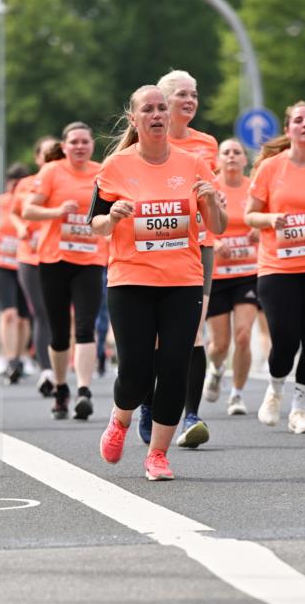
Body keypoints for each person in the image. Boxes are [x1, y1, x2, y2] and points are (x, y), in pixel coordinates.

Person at [89, 84, 224, 481]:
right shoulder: (116, 166)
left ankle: (158, 455)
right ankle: (120, 417)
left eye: (161, 108)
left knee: (174, 366)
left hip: (182, 280)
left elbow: (216, 227)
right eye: (148, 109)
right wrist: (112, 216)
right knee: (136, 371)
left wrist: (212, 201)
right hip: (130, 279)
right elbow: (94, 223)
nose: (157, 114)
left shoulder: (194, 164)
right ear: (134, 118)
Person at [137, 69, 223, 449]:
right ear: (163, 101)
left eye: (194, 94)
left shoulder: (207, 144)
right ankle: (148, 402)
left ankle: (191, 415)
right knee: (155, 337)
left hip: (197, 247)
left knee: (194, 330)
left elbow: (212, 198)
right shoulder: (146, 140)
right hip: (152, 250)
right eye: (181, 95)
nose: (189, 100)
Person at [245, 102, 305, 434]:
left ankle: (300, 410)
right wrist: (270, 219)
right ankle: (275, 389)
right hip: (277, 265)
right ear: (287, 129)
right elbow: (250, 215)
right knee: (285, 338)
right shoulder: (270, 168)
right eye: (298, 120)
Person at [23, 122, 104, 420]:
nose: (80, 146)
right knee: (58, 332)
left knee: (85, 325)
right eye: (74, 142)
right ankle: (60, 388)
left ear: (92, 144)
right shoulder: (52, 171)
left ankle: (84, 390)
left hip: (91, 259)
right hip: (54, 259)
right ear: (65, 145)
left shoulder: (102, 173)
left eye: (85, 141)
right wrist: (56, 212)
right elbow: (29, 210)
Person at [203, 138, 258, 416]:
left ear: (245, 160)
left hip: (249, 272)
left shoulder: (254, 188)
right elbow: (199, 224)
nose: (232, 157)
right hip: (218, 274)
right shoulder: (211, 187)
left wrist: (259, 231)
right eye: (226, 152)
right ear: (218, 159)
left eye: (237, 152)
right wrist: (213, 243)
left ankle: (236, 394)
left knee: (244, 335)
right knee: (219, 344)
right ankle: (215, 368)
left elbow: (264, 217)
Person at [11, 135, 57, 396]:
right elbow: (14, 212)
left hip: (60, 256)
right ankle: (47, 371)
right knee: (41, 312)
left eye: (56, 153)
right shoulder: (27, 184)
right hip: (30, 256)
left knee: (57, 314)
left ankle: (58, 368)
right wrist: (20, 229)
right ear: (37, 158)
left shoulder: (67, 180)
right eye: (47, 154)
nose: (52, 158)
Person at [0, 163, 31, 384]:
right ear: (8, 184)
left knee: (24, 318)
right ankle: (10, 358)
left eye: (21, 183)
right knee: (8, 314)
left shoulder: (31, 203)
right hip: (0, 265)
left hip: (25, 264)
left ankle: (21, 356)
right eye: (13, 183)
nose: (17, 188)